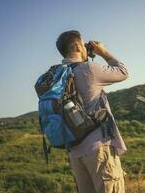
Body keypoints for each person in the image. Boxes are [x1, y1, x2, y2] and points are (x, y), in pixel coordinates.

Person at [55, 30, 128, 193]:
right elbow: (123, 72)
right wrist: (103, 52)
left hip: (75, 153)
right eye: (83, 43)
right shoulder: (89, 69)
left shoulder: (57, 76)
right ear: (77, 45)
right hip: (98, 149)